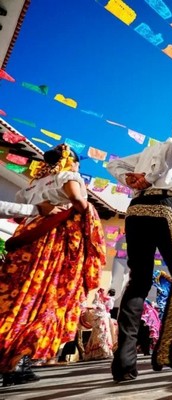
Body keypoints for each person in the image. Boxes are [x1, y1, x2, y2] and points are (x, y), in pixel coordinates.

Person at [107, 112, 172, 382]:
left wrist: (130, 180)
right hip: (164, 208)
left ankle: (124, 364)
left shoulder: (149, 149)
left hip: (136, 211)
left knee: (138, 282)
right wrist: (150, 177)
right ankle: (168, 350)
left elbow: (112, 164)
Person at [0, 144, 105, 384]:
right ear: (72, 161)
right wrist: (85, 214)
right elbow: (77, 199)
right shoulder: (69, 175)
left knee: (16, 299)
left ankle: (14, 362)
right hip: (53, 242)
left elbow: (21, 213)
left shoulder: (33, 184)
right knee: (47, 298)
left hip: (26, 239)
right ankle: (17, 363)